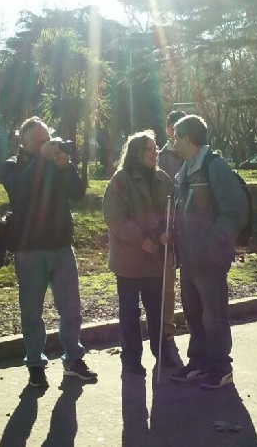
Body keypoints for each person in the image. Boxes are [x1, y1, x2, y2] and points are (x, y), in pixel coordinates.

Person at [1, 116, 97, 388]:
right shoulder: (12, 165)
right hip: (29, 249)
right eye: (39, 142)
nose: (46, 145)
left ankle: (74, 360)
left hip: (61, 246)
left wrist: (66, 167)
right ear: (24, 143)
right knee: (31, 311)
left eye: (48, 140)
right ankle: (35, 364)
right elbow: (19, 191)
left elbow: (78, 193)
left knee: (71, 308)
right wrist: (41, 160)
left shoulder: (58, 162)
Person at [167, 115, 248, 389]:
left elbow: (235, 211)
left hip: (209, 259)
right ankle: (199, 363)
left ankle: (220, 367)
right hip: (189, 259)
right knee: (193, 312)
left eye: (176, 137)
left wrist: (211, 245)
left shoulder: (215, 167)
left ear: (187, 139)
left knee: (213, 316)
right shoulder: (187, 169)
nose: (173, 142)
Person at [103, 130, 177, 375]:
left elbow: (171, 211)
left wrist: (168, 231)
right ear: (136, 153)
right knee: (130, 312)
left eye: (155, 148)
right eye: (148, 149)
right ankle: (132, 359)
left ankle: (162, 352)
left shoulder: (163, 179)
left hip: (155, 257)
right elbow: (115, 218)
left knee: (156, 309)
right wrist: (141, 239)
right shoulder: (120, 180)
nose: (154, 153)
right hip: (128, 260)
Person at [157, 110, 186, 344]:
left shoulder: (193, 154)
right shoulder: (159, 156)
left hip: (190, 226)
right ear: (167, 129)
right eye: (173, 127)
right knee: (166, 281)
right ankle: (166, 328)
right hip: (166, 225)